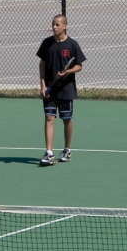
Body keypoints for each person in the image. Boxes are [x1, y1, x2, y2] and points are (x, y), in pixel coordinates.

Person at [36, 14, 86, 166]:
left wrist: (68, 72)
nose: (54, 27)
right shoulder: (47, 43)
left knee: (66, 120)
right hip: (50, 90)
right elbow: (42, 64)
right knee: (49, 118)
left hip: (66, 89)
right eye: (53, 24)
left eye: (58, 24)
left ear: (65, 26)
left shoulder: (72, 44)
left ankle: (67, 149)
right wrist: (43, 86)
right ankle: (49, 153)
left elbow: (79, 65)